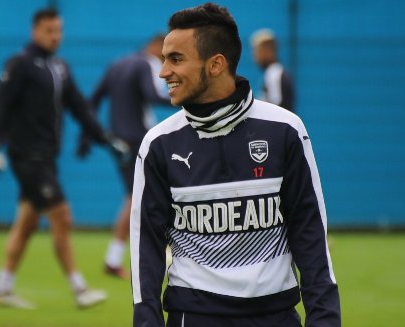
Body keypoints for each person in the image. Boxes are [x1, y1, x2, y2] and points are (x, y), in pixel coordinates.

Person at [130, 3, 340, 327]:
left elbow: (310, 233)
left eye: (175, 59)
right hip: (193, 317)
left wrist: (325, 320)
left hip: (276, 317)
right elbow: (146, 249)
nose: (163, 72)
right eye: (163, 60)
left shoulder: (286, 130)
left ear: (215, 65)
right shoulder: (158, 144)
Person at [0, 8, 128, 310]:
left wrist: (106, 139)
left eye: (59, 30)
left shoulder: (60, 67)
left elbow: (80, 108)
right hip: (27, 158)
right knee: (62, 215)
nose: (56, 36)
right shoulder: (20, 63)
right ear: (35, 31)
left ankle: (2, 288)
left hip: (47, 159)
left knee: (26, 225)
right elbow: (1, 105)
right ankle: (79, 288)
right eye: (50, 30)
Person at [76, 34, 173, 279]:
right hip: (140, 140)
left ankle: (114, 258)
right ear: (155, 48)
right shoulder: (146, 63)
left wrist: (87, 135)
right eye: (166, 55)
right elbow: (152, 95)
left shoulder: (117, 64)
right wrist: (191, 99)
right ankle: (125, 257)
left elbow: (94, 99)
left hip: (118, 141)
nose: (166, 63)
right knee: (146, 195)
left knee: (137, 196)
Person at [251, 28, 296, 112]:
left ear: (269, 51)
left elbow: (277, 108)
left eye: (257, 51)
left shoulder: (274, 74)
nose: (254, 56)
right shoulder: (274, 72)